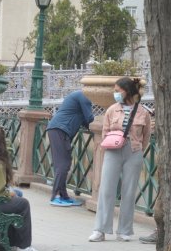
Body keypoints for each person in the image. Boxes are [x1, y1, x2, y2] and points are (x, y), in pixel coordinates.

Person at [89, 77, 152, 242]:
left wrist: (138, 149)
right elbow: (105, 131)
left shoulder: (143, 112)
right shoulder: (111, 110)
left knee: (129, 191)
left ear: (128, 91)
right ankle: (100, 230)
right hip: (112, 150)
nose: (115, 94)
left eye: (118, 91)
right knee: (106, 189)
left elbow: (146, 137)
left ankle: (124, 230)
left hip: (134, 151)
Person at [47, 90, 95, 207]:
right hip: (60, 130)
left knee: (63, 163)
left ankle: (64, 196)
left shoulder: (78, 95)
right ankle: (56, 196)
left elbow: (84, 120)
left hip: (57, 129)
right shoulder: (84, 96)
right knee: (63, 164)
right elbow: (89, 118)